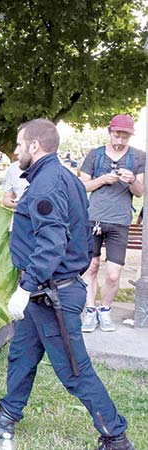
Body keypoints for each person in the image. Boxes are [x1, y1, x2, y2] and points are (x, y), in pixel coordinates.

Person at [0, 119, 135, 450]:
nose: (14, 151)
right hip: (45, 294)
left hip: (52, 294)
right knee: (22, 354)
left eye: (18, 144)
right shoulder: (62, 178)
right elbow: (82, 233)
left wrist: (27, 285)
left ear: (34, 146)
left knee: (74, 370)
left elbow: (53, 241)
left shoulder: (47, 184)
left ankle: (115, 436)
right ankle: (6, 417)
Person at [79, 114, 145, 333]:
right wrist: (103, 180)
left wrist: (132, 179)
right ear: (110, 132)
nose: (119, 141)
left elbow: (139, 192)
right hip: (93, 218)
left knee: (113, 273)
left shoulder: (138, 157)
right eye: (117, 135)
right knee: (91, 267)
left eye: (124, 137)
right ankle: (90, 311)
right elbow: (82, 187)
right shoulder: (94, 155)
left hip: (120, 221)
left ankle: (105, 310)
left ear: (130, 136)